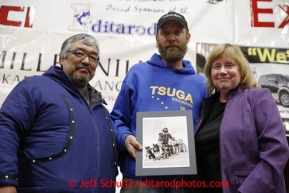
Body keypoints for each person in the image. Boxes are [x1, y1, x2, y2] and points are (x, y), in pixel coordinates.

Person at [0, 33, 118, 193]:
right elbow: (6, 129)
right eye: (79, 53)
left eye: (93, 57)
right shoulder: (34, 87)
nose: (86, 61)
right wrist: (5, 181)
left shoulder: (102, 111)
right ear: (62, 58)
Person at [110, 11, 208, 193]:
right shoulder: (137, 74)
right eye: (165, 33)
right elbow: (117, 119)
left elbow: (208, 131)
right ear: (157, 38)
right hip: (139, 181)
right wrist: (125, 138)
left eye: (177, 32)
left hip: (183, 183)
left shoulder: (201, 85)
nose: (171, 38)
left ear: (187, 37)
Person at [194, 43, 289, 193]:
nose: (223, 71)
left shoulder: (258, 97)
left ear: (241, 70)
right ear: (210, 73)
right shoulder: (206, 107)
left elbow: (276, 151)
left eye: (229, 65)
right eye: (216, 67)